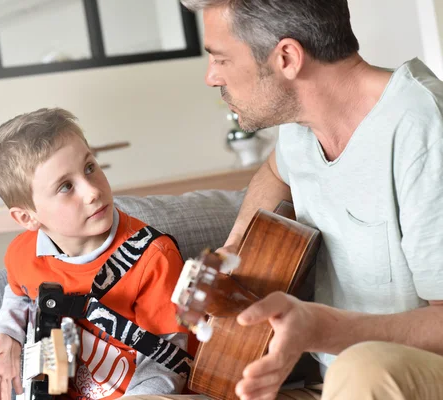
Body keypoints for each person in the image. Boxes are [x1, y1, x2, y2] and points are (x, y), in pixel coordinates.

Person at [175, 1, 443, 399]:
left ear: (287, 57)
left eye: (220, 58)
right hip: (329, 381)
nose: (211, 77)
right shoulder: (300, 129)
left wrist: (321, 330)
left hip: (395, 375)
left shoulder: (421, 128)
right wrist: (236, 249)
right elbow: (273, 172)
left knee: (362, 369)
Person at [0, 108, 192, 400]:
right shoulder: (22, 253)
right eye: (66, 186)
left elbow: (166, 364)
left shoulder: (153, 258)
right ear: (28, 218)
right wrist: (8, 333)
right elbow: (17, 291)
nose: (92, 192)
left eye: (90, 167)